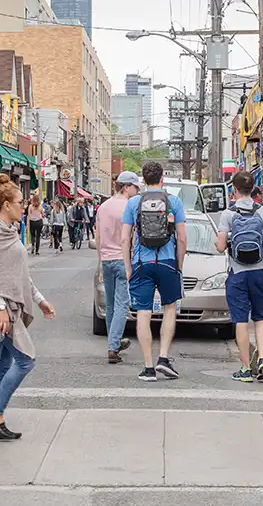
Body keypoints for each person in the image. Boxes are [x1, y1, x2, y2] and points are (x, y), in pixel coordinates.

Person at [0, 173, 56, 440]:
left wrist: (40, 300)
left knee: (1, 364)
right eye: (21, 202)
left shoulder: (8, 230)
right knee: (25, 360)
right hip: (1, 308)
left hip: (7, 306)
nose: (25, 205)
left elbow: (18, 274)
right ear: (7, 205)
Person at [121, 161, 187, 382]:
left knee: (143, 312)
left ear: (142, 180)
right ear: (162, 179)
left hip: (142, 262)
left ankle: (148, 367)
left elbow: (125, 238)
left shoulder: (133, 203)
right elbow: (183, 238)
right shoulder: (174, 202)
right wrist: (178, 264)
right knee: (169, 309)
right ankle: (164, 358)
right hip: (168, 261)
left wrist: (129, 266)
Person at [215, 170, 263, 382]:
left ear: (233, 190)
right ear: (253, 189)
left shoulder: (228, 214)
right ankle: (261, 357)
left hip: (238, 273)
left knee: (241, 321)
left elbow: (219, 246)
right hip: (261, 272)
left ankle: (245, 368)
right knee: (260, 318)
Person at [97, 172, 138, 363]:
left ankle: (114, 341)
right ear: (126, 187)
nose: (137, 191)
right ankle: (113, 346)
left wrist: (100, 260)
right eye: (135, 187)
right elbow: (131, 237)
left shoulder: (102, 207)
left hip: (105, 260)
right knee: (122, 303)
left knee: (111, 304)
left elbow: (97, 238)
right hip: (122, 259)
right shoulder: (129, 207)